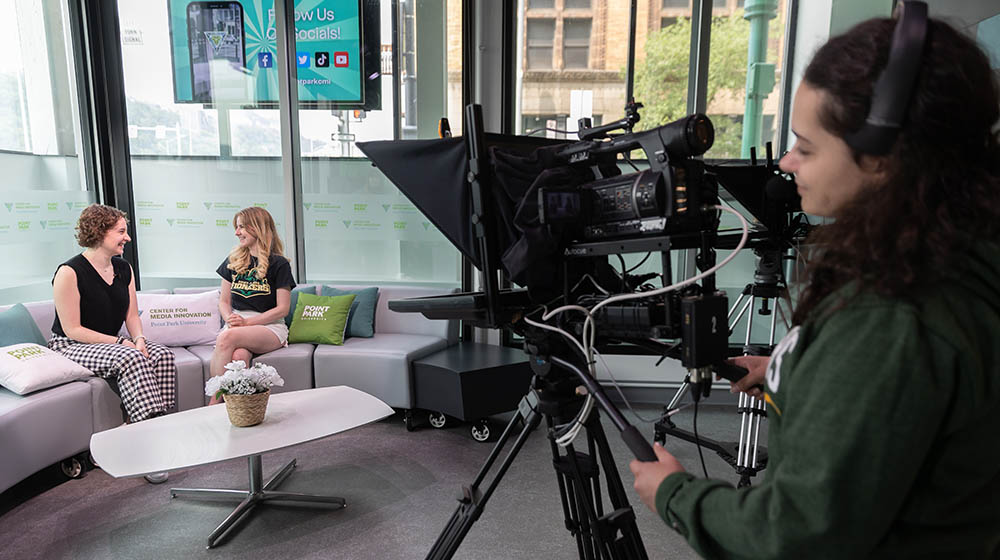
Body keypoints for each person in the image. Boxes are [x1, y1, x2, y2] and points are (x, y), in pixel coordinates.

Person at [630, 14, 1000, 558]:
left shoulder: (891, 317)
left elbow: (796, 534)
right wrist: (796, 373)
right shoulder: (955, 253)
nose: (786, 161)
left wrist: (674, 494)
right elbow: (898, 404)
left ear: (880, 158)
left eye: (806, 145)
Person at [51, 205, 177, 484]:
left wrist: (140, 339)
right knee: (130, 358)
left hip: (112, 343)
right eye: (121, 232)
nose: (127, 238)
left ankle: (150, 430)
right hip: (71, 345)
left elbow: (132, 315)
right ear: (99, 232)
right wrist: (124, 344)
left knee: (163, 355)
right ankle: (149, 451)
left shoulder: (123, 268)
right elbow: (73, 329)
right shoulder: (69, 272)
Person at [209, 207, 295, 404]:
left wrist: (247, 324)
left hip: (269, 327)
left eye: (241, 227)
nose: (236, 232)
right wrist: (229, 317)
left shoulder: (279, 264)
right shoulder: (234, 261)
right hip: (238, 324)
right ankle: (240, 408)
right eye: (236, 227)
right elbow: (223, 301)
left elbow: (282, 309)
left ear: (256, 228)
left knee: (226, 337)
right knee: (238, 356)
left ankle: (213, 402)